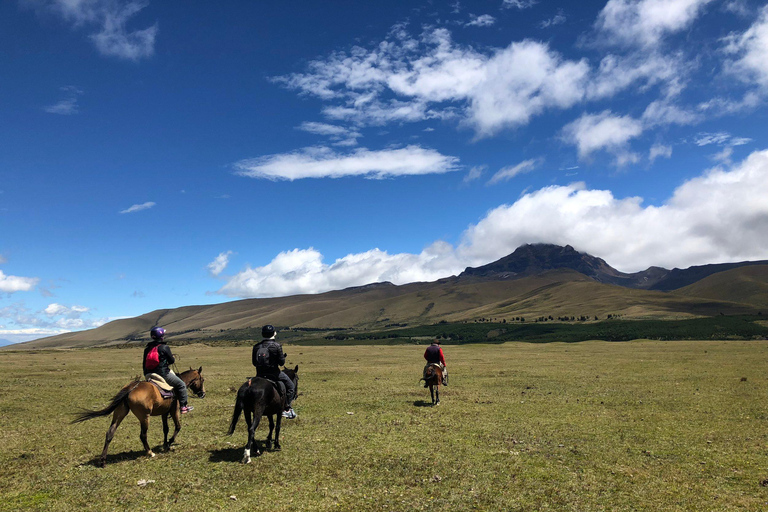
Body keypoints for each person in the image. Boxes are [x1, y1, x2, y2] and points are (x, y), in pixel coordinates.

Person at [143, 326, 193, 414]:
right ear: (161, 336)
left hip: (148, 373)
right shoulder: (164, 347)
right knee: (181, 385)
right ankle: (183, 407)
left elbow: (144, 363)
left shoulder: (147, 348)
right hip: (162, 374)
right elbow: (171, 361)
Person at [252, 325, 296, 419]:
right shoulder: (277, 346)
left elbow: (254, 363)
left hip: (259, 374)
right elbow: (281, 363)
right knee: (291, 386)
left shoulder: (256, 346)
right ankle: (286, 408)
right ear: (274, 333)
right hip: (275, 374)